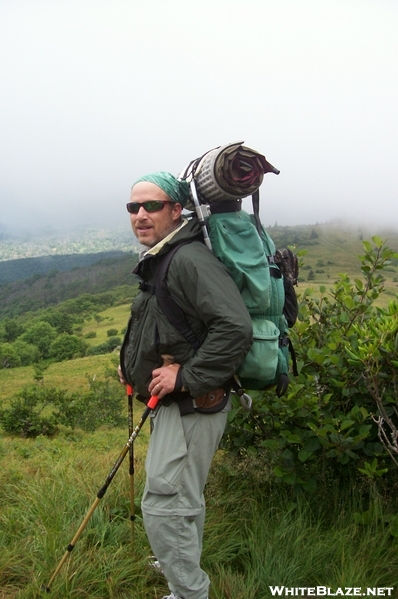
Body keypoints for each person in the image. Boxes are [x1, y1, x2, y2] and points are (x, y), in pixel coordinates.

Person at [119, 171, 253, 599]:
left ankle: (188, 592)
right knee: (180, 494)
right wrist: (132, 365)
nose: (140, 215)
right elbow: (163, 322)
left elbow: (234, 327)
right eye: (133, 207)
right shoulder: (165, 255)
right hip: (175, 404)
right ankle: (176, 563)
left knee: (165, 502)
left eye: (151, 206)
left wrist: (187, 376)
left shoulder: (187, 258)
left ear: (177, 210)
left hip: (193, 403)